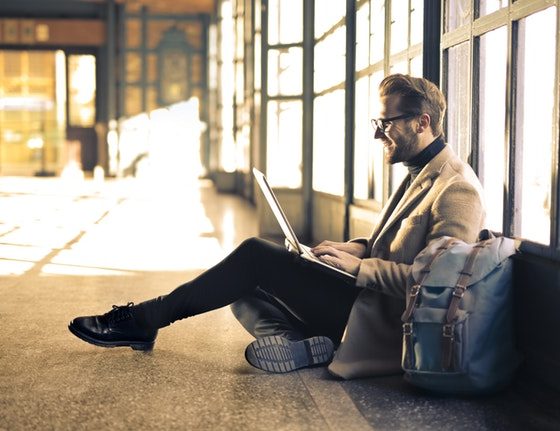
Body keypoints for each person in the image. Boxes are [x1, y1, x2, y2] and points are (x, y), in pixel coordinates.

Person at [68, 74, 485, 377]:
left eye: (386, 123)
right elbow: (397, 243)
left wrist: (358, 269)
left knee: (253, 255)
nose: (379, 135)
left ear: (422, 121)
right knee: (236, 289)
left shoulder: (455, 188)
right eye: (378, 124)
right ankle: (300, 344)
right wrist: (355, 248)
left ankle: (144, 320)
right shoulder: (421, 170)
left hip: (380, 322)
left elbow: (438, 286)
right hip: (361, 299)